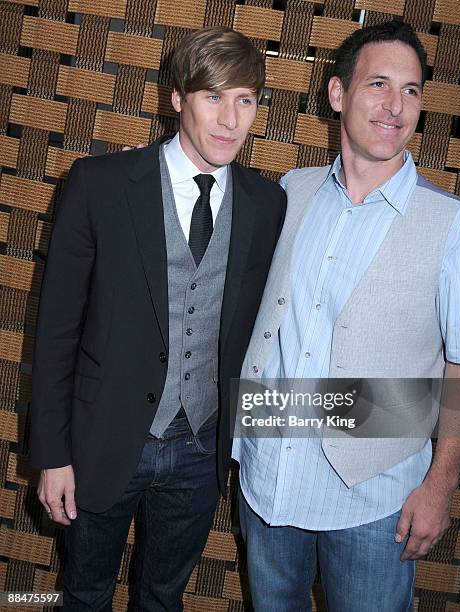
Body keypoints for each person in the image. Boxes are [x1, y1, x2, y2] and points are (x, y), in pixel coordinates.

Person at [29, 27, 286, 611]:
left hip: (200, 449)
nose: (229, 119)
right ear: (177, 99)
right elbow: (56, 332)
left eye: (244, 99)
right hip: (102, 439)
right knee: (85, 594)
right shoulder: (100, 185)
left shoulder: (267, 203)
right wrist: (52, 455)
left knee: (164, 598)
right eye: (212, 97)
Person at [232, 20, 460, 611]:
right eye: (378, 84)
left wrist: (440, 487)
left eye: (412, 90)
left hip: (378, 497)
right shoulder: (290, 191)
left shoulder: (455, 226)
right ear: (338, 95)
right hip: (270, 479)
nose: (396, 106)